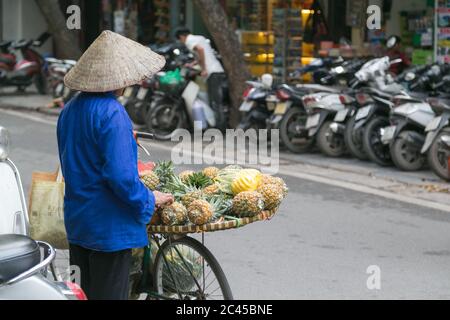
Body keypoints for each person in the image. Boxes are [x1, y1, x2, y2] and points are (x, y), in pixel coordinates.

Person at [57, 30, 174, 300]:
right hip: (109, 230)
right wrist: (149, 199)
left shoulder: (69, 110)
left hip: (79, 223)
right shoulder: (112, 113)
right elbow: (121, 178)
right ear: (120, 79)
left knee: (85, 295)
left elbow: (74, 161)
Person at [175, 27, 228, 130]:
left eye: (180, 40)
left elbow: (200, 49)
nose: (181, 42)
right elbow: (201, 54)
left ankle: (220, 129)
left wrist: (203, 69)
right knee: (215, 101)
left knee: (215, 102)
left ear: (181, 37)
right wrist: (192, 64)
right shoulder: (199, 38)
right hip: (216, 71)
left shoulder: (189, 41)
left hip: (213, 72)